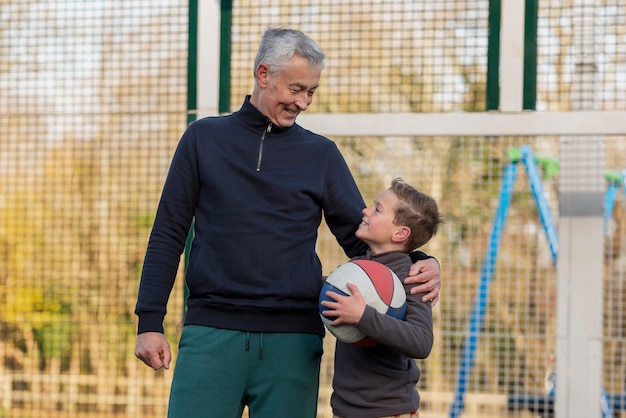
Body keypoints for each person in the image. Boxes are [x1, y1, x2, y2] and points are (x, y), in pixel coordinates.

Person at [134, 28, 442, 418]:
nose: (303, 102)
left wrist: (423, 260)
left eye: (311, 91)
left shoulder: (322, 155)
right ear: (263, 75)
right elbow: (167, 233)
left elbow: (366, 240)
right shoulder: (202, 139)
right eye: (296, 89)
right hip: (210, 333)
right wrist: (149, 320)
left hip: (293, 342)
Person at [321, 178, 443, 418]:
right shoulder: (355, 269)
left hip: (389, 411)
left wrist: (363, 316)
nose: (365, 211)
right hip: (343, 411)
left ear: (399, 233)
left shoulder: (414, 277)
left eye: (377, 209)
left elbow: (421, 341)